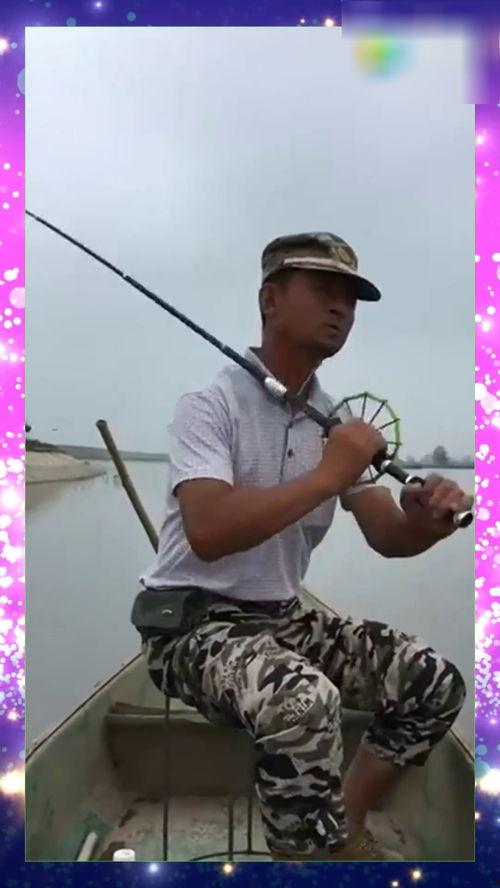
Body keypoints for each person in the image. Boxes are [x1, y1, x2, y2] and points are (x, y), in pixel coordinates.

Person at [134, 232, 471, 861]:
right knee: (301, 700)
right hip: (190, 627)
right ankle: (305, 864)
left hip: (283, 619)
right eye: (322, 289)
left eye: (351, 298)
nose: (341, 308)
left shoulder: (336, 424)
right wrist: (329, 473)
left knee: (434, 682)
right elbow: (207, 532)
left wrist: (426, 524)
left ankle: (344, 825)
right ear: (269, 299)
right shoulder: (208, 407)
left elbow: (387, 536)